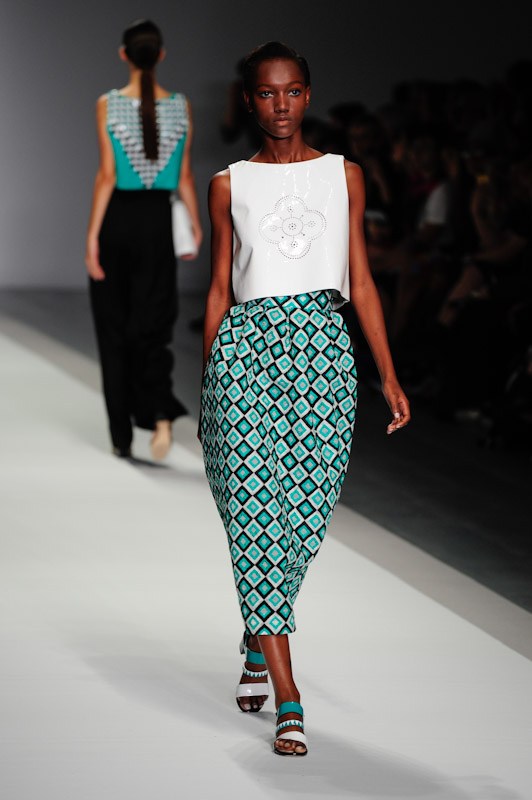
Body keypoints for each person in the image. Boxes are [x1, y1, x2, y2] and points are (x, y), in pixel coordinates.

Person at [200, 42, 410, 757]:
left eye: (292, 91)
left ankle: (256, 638)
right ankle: (289, 696)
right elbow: (219, 289)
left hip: (322, 353)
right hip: (245, 354)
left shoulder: (342, 175)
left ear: (309, 95)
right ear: (250, 101)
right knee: (255, 514)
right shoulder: (228, 185)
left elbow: (362, 278)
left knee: (302, 519)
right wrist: (209, 384)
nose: (281, 104)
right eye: (267, 93)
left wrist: (387, 373)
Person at [85, 19, 202, 460]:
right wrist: (194, 223)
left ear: (123, 55)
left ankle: (121, 437)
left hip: (118, 220)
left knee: (112, 327)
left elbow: (107, 175)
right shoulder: (181, 106)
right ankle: (159, 413)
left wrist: (92, 237)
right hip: (157, 223)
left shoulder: (108, 104)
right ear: (161, 55)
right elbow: (185, 174)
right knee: (152, 324)